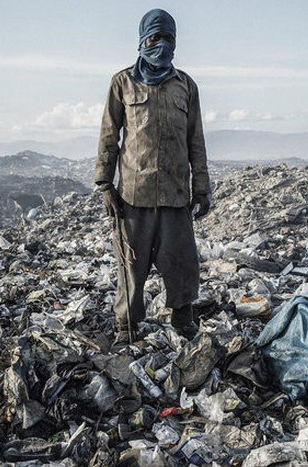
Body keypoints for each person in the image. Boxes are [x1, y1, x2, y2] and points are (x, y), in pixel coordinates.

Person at [94, 8, 211, 346]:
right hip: (134, 195)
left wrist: (201, 189)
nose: (162, 45)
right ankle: (126, 328)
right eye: (155, 38)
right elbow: (108, 135)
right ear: (142, 40)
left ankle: (183, 320)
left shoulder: (185, 85)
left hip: (176, 195)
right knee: (132, 266)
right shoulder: (123, 82)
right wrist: (104, 184)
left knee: (182, 262)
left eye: (168, 39)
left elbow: (196, 140)